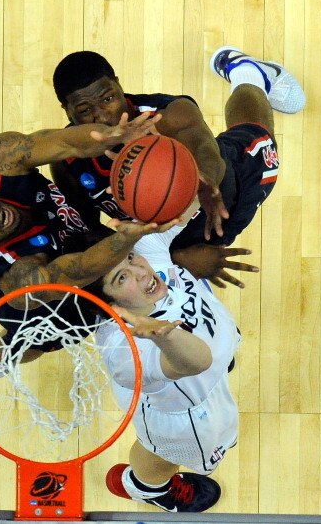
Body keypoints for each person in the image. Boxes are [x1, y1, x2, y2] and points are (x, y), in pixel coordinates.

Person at [0, 112, 171, 378]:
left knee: (74, 169)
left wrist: (113, 135)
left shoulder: (1, 159)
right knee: (33, 343)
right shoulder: (18, 279)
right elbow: (78, 270)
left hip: (76, 234)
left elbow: (68, 143)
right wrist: (129, 236)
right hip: (47, 300)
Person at [51, 46, 305, 288]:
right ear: (67, 111)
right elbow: (92, 230)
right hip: (166, 242)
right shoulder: (67, 161)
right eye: (85, 110)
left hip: (227, 184)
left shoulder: (168, 113)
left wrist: (207, 180)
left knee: (256, 131)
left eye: (108, 99)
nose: (104, 116)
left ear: (118, 84)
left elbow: (206, 150)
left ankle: (248, 73)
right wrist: (174, 257)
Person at [84, 209, 241, 513]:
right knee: (160, 454)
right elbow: (195, 363)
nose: (141, 271)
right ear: (107, 304)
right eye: (122, 278)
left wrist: (199, 180)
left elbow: (182, 207)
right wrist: (165, 337)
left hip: (208, 378)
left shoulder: (147, 259)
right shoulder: (125, 350)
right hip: (186, 417)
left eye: (130, 259)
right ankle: (146, 486)